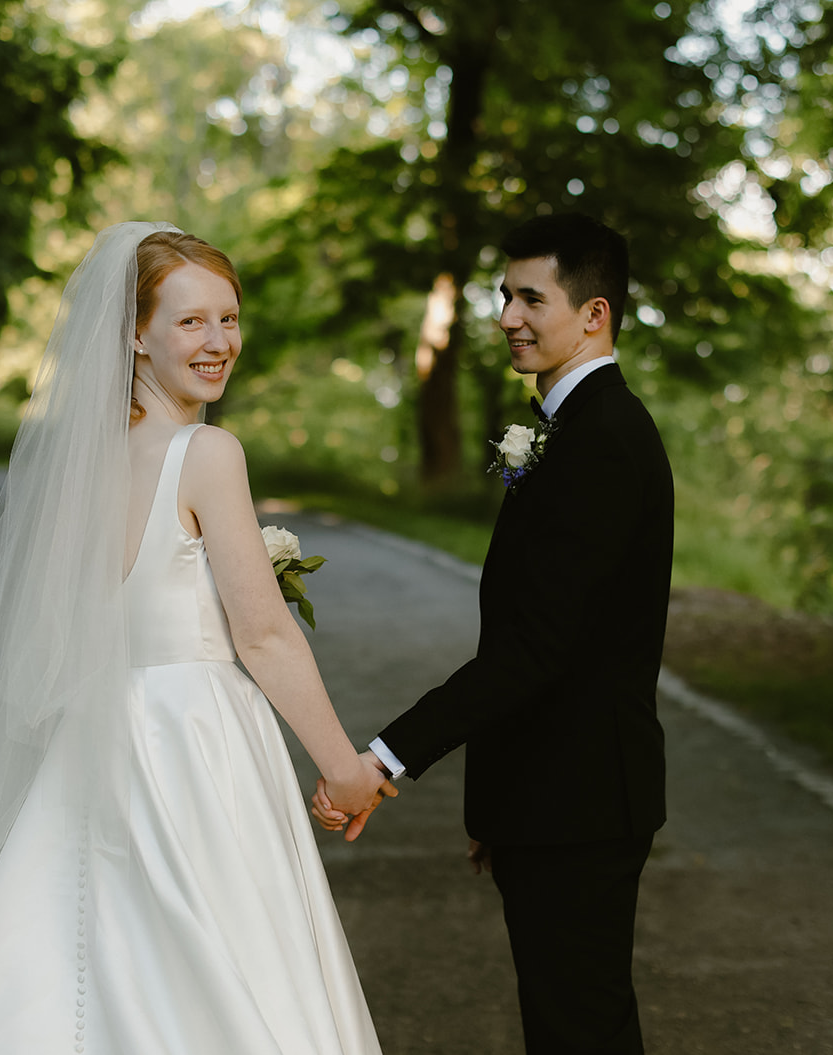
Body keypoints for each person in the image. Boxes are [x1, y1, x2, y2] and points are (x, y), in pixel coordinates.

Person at [0, 222, 394, 1055]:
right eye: (191, 321)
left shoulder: (78, 462)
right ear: (134, 333)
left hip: (93, 733)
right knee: (214, 968)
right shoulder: (207, 452)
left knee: (81, 951)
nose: (219, 342)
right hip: (194, 741)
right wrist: (345, 769)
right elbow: (263, 636)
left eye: (229, 317)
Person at [318, 213, 673, 1054]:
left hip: (581, 799)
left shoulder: (602, 442)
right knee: (568, 1023)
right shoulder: (573, 430)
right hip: (552, 795)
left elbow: (533, 648)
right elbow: (545, 634)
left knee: (580, 1028)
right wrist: (502, 801)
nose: (508, 316)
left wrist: (384, 757)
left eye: (529, 297)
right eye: (503, 295)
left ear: (595, 315)